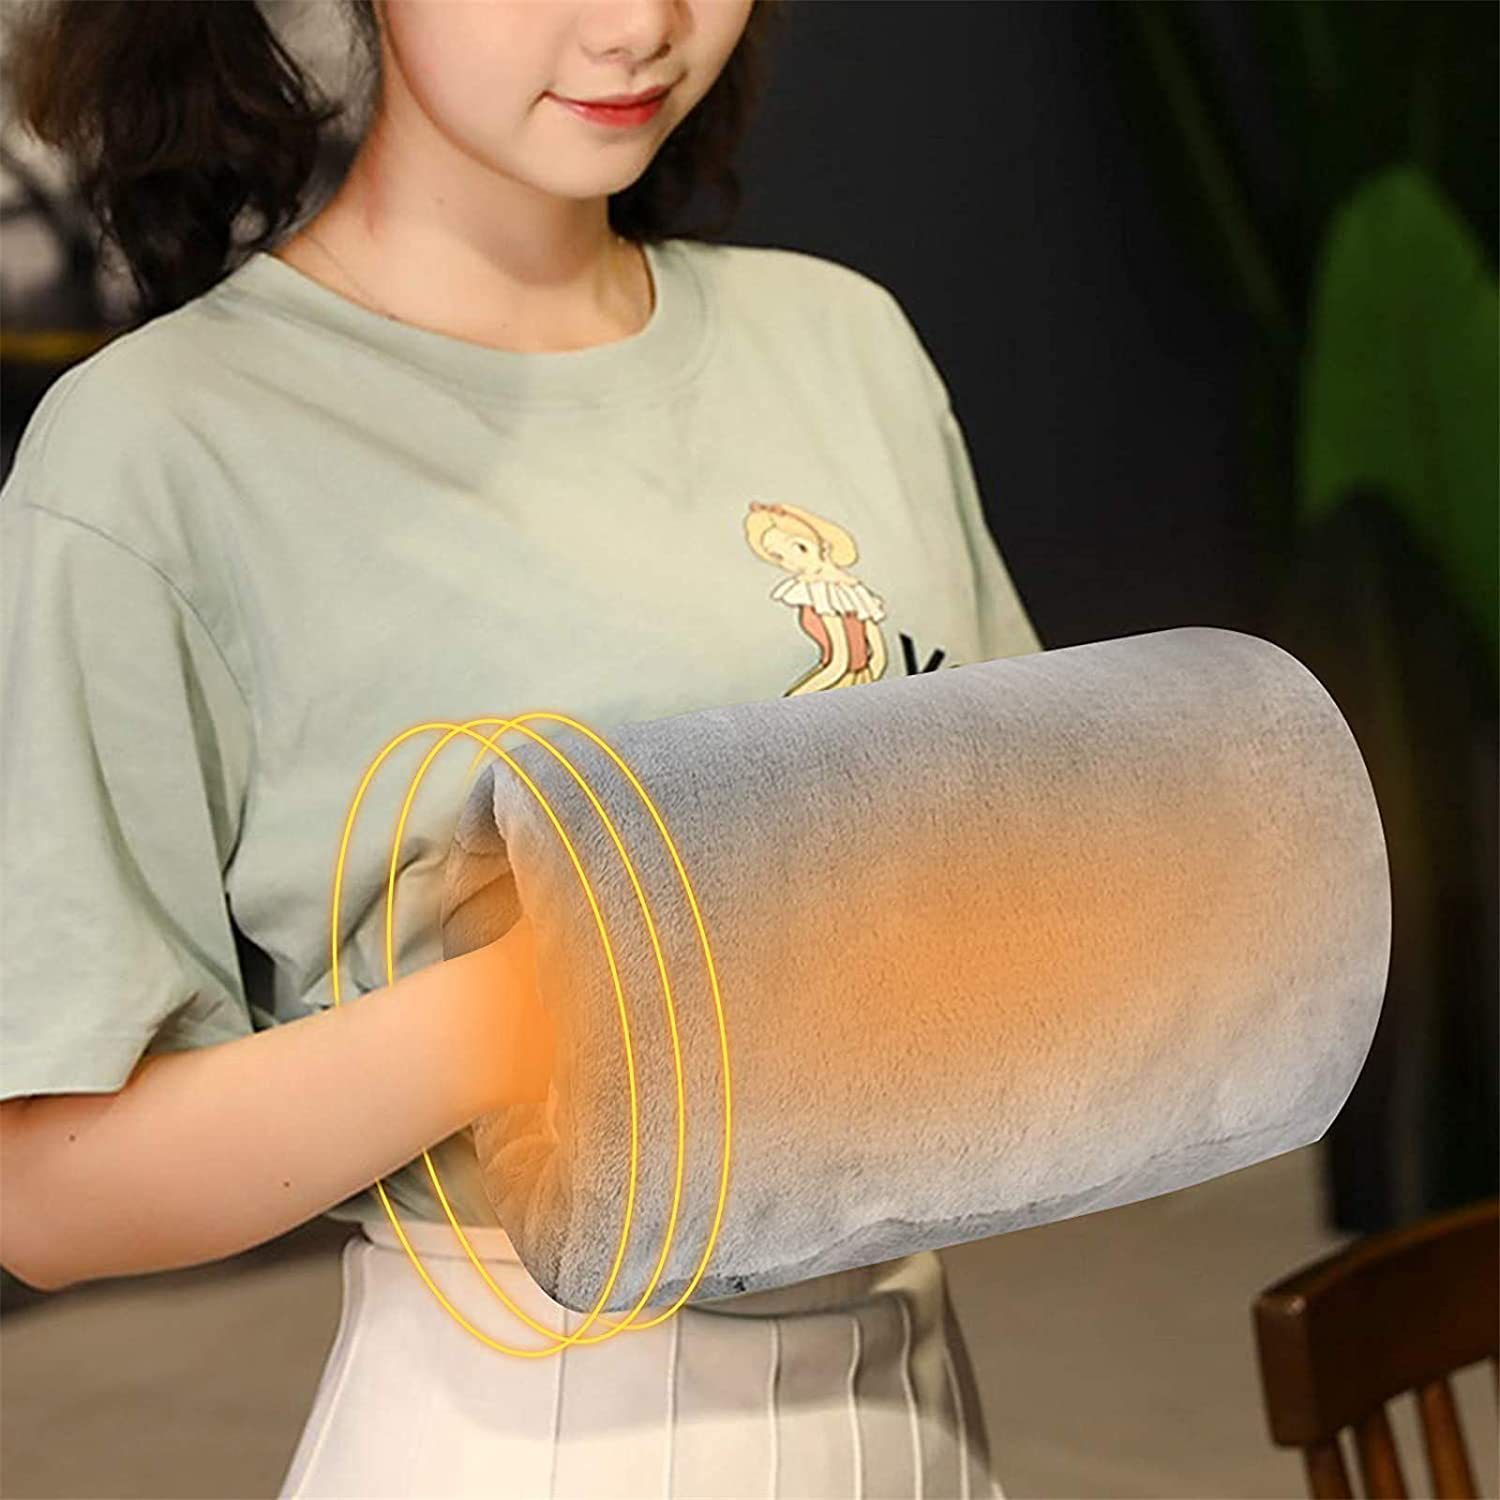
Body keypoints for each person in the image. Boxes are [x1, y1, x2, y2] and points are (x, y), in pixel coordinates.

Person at [0, 1, 1043, 1494]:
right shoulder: (154, 449)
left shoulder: (843, 341)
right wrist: (567, 1000)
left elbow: (1037, 896)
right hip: (537, 1426)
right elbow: (44, 1190)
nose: (641, 26)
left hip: (919, 1403)